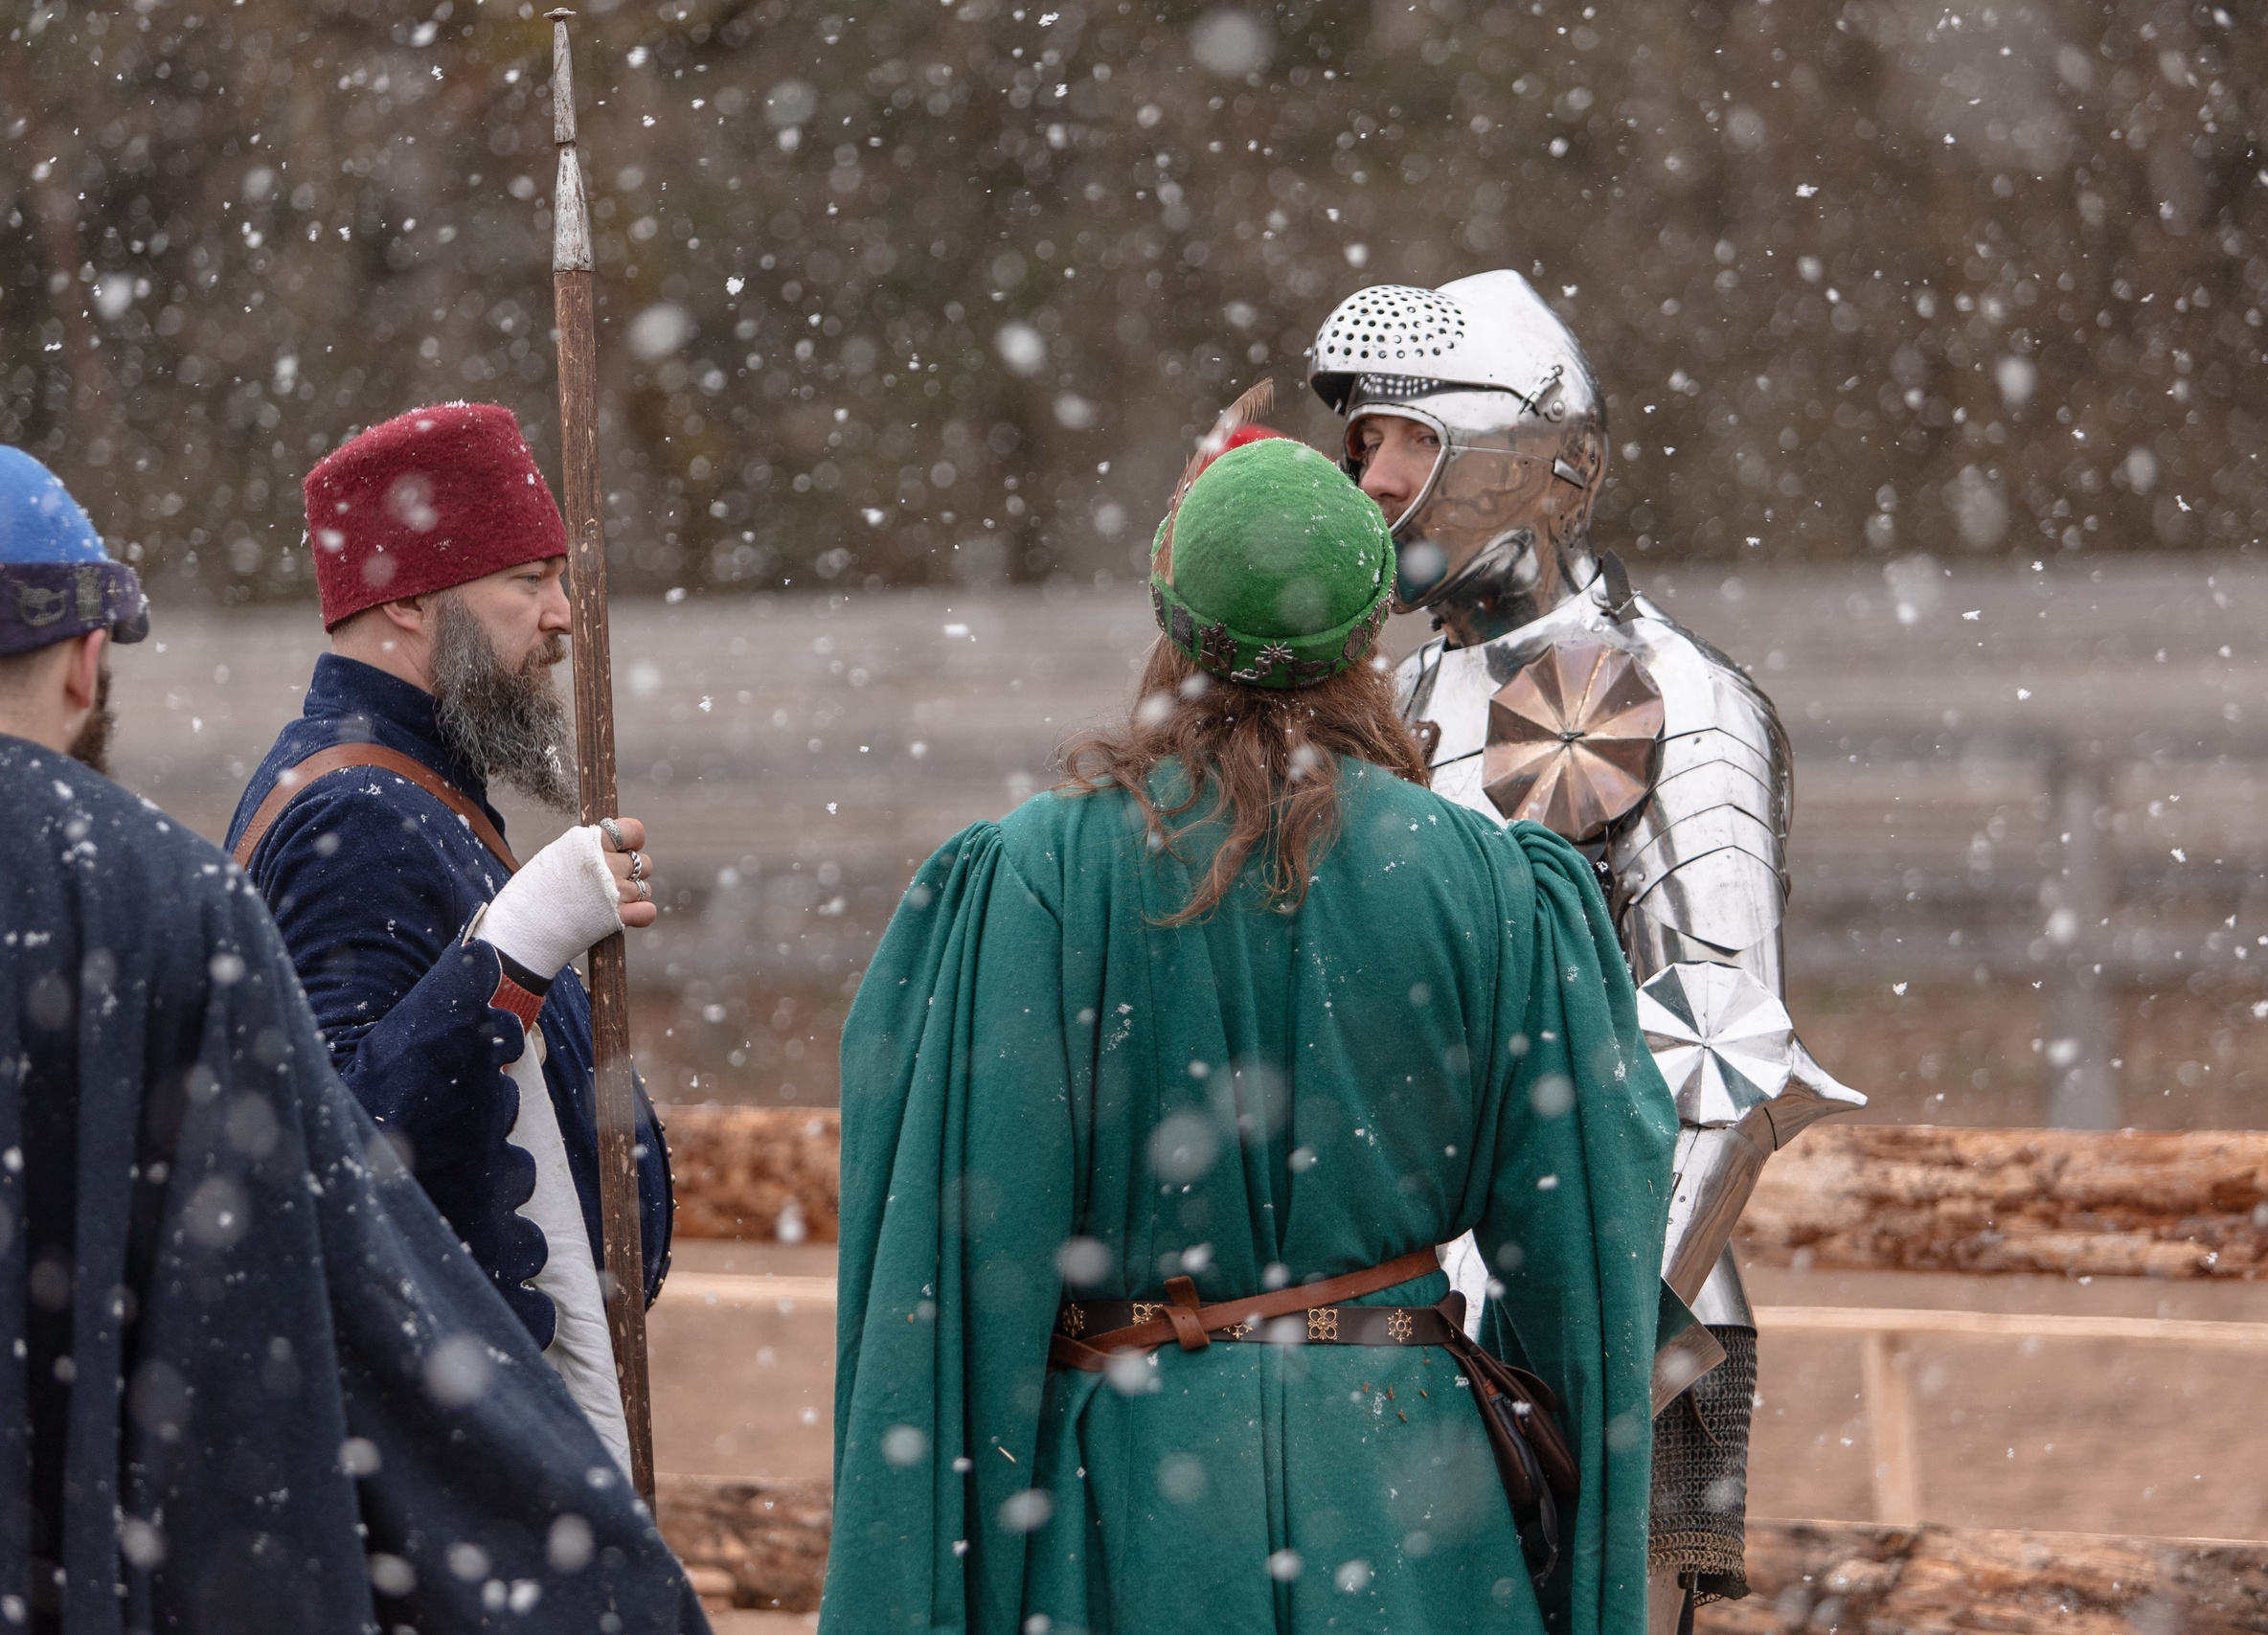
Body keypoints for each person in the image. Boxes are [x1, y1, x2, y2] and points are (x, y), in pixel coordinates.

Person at [0, 447, 707, 1631]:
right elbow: (323, 1212)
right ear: (88, 666)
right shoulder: (181, 884)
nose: (560, 617)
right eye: (527, 580)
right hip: (72, 1520)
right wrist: (571, 1550)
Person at [825, 431, 1675, 1633]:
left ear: (1171, 624)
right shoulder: (1494, 888)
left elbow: (954, 1281)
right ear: (1369, 631)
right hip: (1413, 1521)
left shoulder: (1033, 881)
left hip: (1129, 1515)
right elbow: (1586, 1247)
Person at [1307, 269, 1867, 1630]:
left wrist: (1561, 1319)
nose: (1367, 478)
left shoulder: (1681, 696)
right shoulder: (1371, 689)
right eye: (1358, 440)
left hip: (1623, 1321)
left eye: (1403, 439)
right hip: (1391, 1321)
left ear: (1518, 455)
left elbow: (1721, 1052)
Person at [227, 402, 672, 1474]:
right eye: (527, 580)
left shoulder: (414, 789)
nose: (562, 617)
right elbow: (340, 1147)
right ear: (413, 603)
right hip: (442, 1451)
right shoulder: (361, 814)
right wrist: (513, 949)